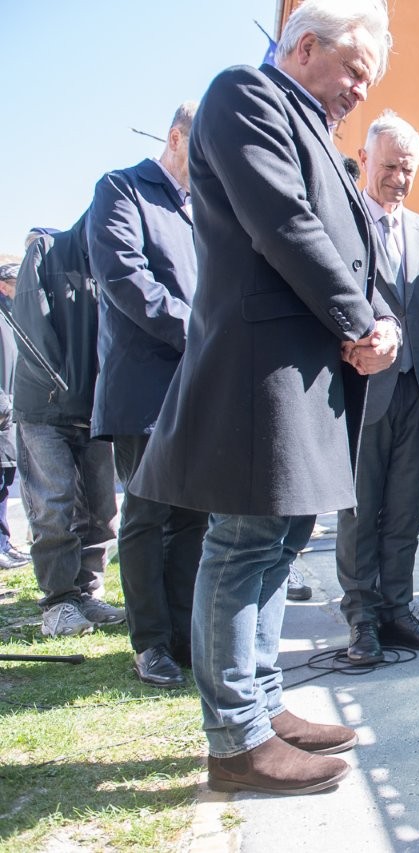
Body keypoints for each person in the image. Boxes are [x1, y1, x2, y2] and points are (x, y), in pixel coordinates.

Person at [129, 0, 398, 795]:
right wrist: (360, 317)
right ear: (305, 46)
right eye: (354, 70)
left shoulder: (314, 126)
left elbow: (349, 240)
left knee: (279, 544)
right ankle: (236, 737)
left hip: (305, 369)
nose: (359, 90)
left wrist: (378, 319)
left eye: (369, 79)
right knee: (245, 543)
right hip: (260, 370)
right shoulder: (244, 95)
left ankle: (264, 702)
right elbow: (284, 222)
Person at [86, 102, 208, 689]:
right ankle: (150, 642)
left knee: (192, 517)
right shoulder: (122, 190)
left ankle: (184, 636)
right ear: (177, 137)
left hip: (196, 387)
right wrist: (202, 333)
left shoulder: (202, 211)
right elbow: (125, 278)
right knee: (146, 514)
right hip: (143, 388)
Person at [336, 110, 419, 664]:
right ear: (366, 160)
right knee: (360, 510)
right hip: (361, 391)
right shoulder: (339, 220)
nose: (399, 179)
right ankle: (362, 619)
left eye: (408, 169)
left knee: (407, 510)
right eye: (389, 166)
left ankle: (398, 610)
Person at [14, 218, 124, 637]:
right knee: (53, 503)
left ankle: (85, 591)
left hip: (96, 408)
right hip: (46, 409)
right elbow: (31, 327)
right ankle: (58, 602)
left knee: (100, 510)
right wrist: (59, 384)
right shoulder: (46, 250)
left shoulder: (114, 258)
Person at [0, 263, 27, 571]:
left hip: (8, 411)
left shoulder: (11, 316)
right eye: (12, 282)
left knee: (5, 482)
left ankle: (4, 542)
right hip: (2, 410)